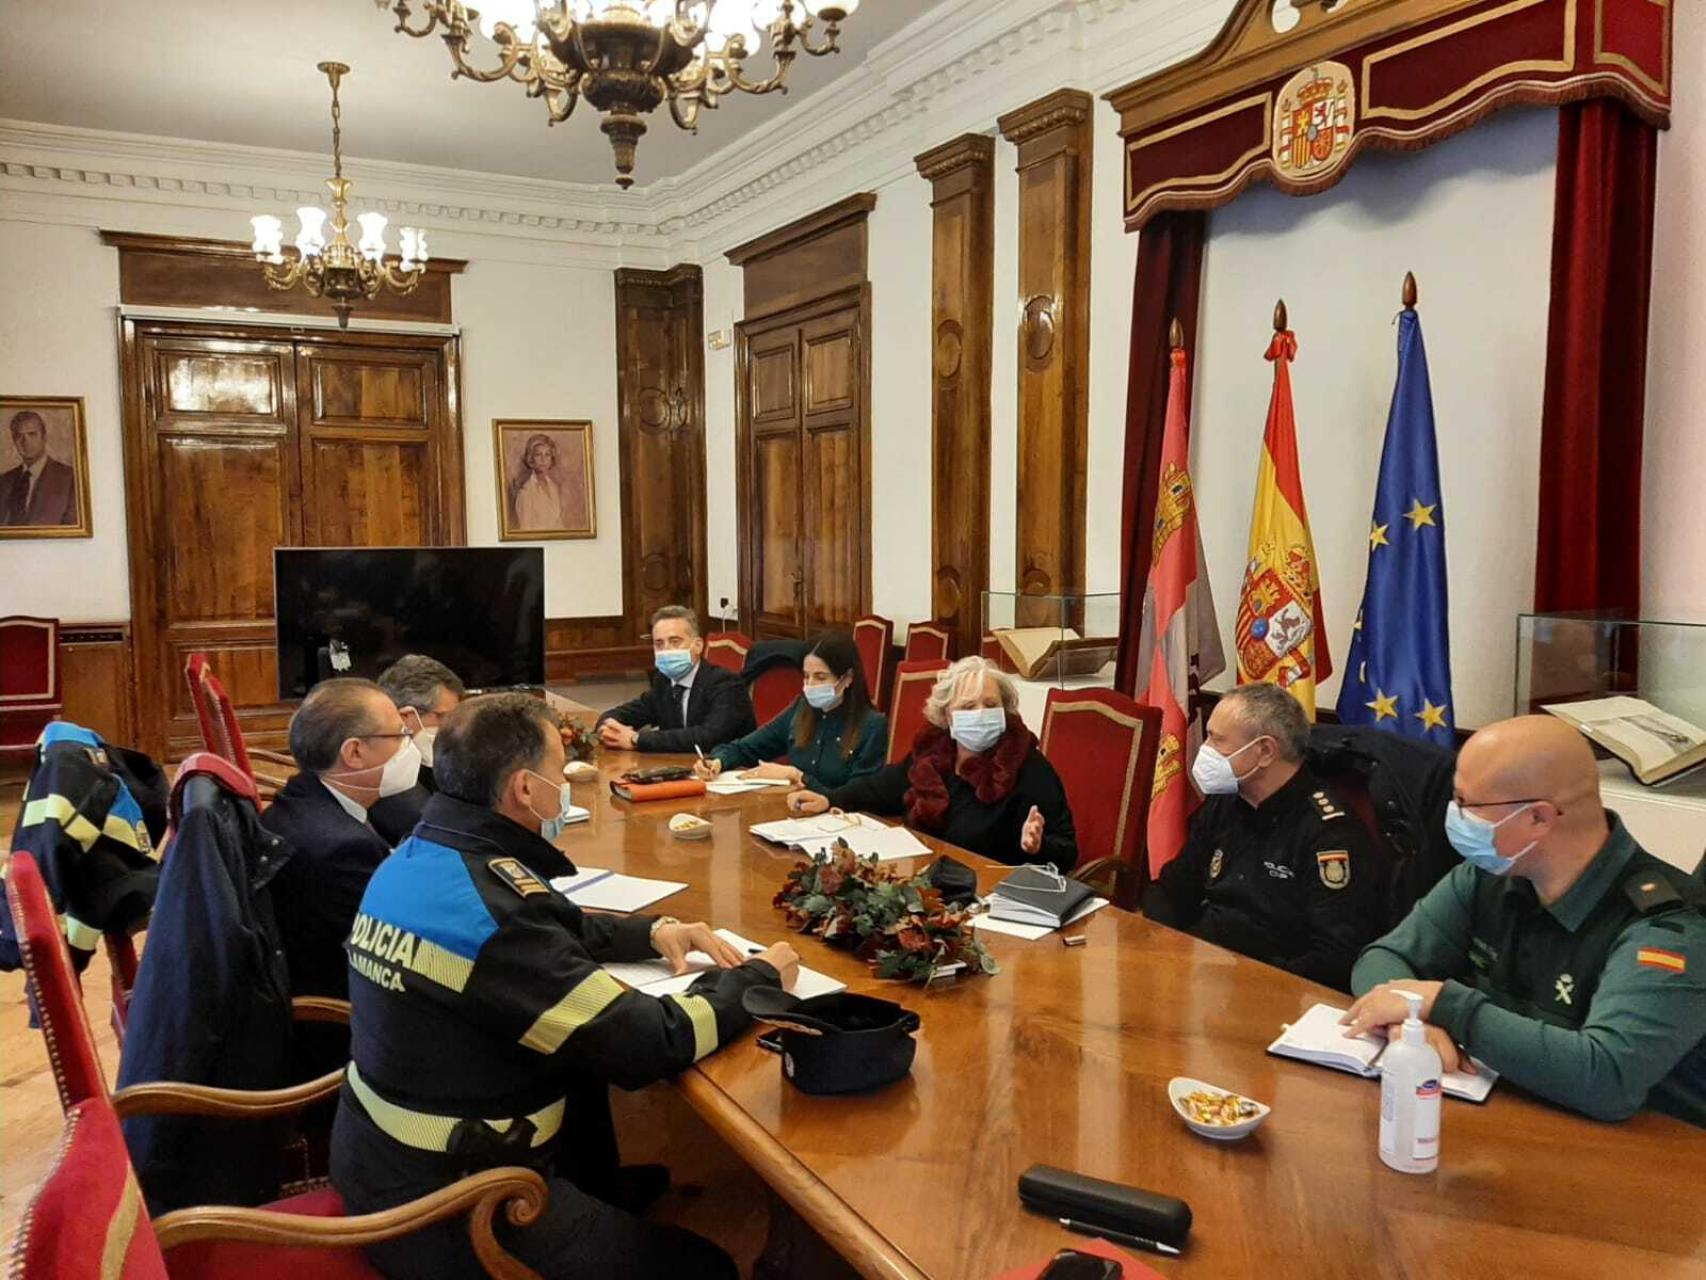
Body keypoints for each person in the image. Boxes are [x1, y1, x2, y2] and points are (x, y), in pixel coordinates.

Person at [331, 692, 799, 1279]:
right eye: (557, 774)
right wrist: (757, 980)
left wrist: (654, 933)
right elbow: (646, 1042)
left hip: (381, 1152)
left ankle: (598, 1188)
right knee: (703, 1267)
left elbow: (547, 926)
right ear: (525, 789)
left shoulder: (432, 851)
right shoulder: (494, 910)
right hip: (454, 1204)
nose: (564, 787)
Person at [1344, 715, 1706, 1126]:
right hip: (1514, 1114)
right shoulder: (1492, 875)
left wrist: (1444, 1005)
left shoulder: (1668, 928)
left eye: (1467, 804)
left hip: (1652, 1155)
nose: (1455, 816)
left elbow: (1608, 1078)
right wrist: (1410, 1026)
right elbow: (1384, 957)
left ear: (1538, 818)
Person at [1144, 683, 1382, 991]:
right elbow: (1171, 889)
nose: (1205, 750)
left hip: (1273, 989)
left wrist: (1248, 983)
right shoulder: (1225, 803)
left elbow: (1336, 956)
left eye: (1217, 740)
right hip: (1201, 972)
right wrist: (1162, 949)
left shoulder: (1329, 833)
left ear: (1265, 751)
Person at [787, 655, 1077, 869]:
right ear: (948, 717)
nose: (980, 713)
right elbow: (882, 787)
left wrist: (1036, 846)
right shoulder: (934, 753)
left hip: (990, 897)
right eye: (968, 706)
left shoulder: (1026, 765)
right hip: (927, 880)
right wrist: (828, 799)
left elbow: (1066, 850)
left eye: (990, 705)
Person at [261, 678, 421, 1001]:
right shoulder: (342, 850)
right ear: (355, 752)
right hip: (337, 1020)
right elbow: (392, 959)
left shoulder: (301, 796)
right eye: (400, 736)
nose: (410, 745)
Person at [692, 631, 887, 792]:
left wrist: (797, 776)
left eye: (820, 677)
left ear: (847, 678)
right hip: (794, 816)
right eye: (806, 676)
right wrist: (717, 761)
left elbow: (859, 799)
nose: (810, 686)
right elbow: (745, 748)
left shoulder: (872, 726)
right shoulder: (802, 708)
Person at [597, 606, 756, 754]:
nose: (666, 650)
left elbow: (708, 737)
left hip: (730, 773)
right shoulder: (664, 681)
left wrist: (636, 739)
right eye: (659, 644)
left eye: (675, 641)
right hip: (681, 769)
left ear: (698, 646)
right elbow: (623, 713)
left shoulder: (725, 683)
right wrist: (608, 729)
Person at [370, 653, 466, 844]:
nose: (452, 727)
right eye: (442, 716)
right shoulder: (387, 780)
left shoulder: (433, 759)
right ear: (405, 716)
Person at [0, 409, 78, 526]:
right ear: (13, 441)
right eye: (19, 436)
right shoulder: (4, 481)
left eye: (32, 434)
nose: (25, 441)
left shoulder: (70, 478)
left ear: (44, 437)